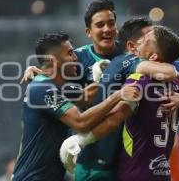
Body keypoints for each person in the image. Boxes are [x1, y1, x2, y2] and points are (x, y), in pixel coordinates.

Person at [60, 25, 179, 180]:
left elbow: (115, 119)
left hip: (135, 172)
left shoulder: (140, 79)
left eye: (146, 41)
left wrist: (82, 140)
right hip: (162, 172)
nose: (140, 42)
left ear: (153, 57)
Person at [11, 32, 139, 180]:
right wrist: (119, 95)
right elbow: (81, 122)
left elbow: (87, 96)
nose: (75, 58)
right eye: (70, 53)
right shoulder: (42, 88)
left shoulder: (56, 86)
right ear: (54, 61)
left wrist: (113, 77)